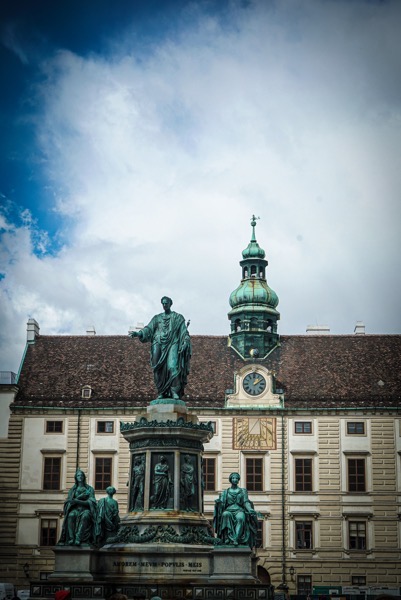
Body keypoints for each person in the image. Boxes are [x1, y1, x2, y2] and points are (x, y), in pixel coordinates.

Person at [130, 296, 191, 399]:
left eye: (166, 303)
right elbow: (148, 329)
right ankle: (161, 392)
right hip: (158, 343)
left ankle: (174, 391)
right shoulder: (157, 318)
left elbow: (184, 332)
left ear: (170, 304)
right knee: (157, 369)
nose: (164, 305)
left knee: (173, 367)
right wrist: (139, 333)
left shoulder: (177, 317)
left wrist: (185, 341)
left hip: (173, 343)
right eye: (162, 303)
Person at [213, 472, 258, 548]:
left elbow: (246, 502)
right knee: (225, 514)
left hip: (239, 510)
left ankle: (235, 539)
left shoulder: (243, 491)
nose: (235, 479)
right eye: (233, 478)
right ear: (230, 480)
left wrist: (250, 509)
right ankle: (227, 538)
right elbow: (222, 504)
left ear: (238, 480)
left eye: (237, 478)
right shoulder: (225, 492)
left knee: (241, 518)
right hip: (229, 510)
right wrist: (219, 503)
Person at [58, 469, 97, 546]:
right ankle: (71, 539)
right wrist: (80, 498)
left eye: (82, 475)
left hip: (86, 509)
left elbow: (91, 502)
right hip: (75, 509)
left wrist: (77, 501)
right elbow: (69, 502)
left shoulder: (89, 489)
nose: (80, 477)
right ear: (76, 477)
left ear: (84, 477)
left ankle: (78, 538)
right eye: (78, 475)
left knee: (85, 516)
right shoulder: (72, 490)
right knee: (71, 515)